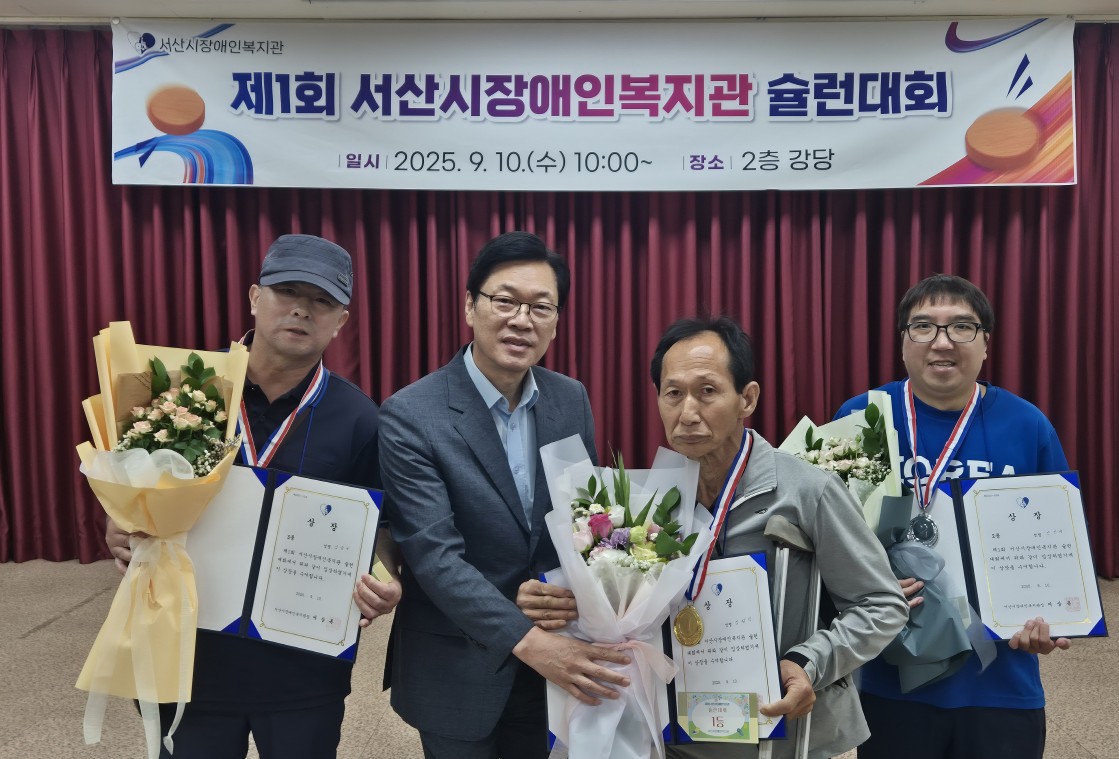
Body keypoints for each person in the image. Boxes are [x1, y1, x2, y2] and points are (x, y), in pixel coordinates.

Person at [521, 315, 908, 759]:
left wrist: (808, 662)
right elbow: (625, 615)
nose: (687, 413)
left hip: (788, 738)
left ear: (747, 398)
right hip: (681, 740)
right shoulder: (646, 508)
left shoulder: (806, 490)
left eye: (707, 391)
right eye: (673, 393)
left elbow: (882, 603)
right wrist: (564, 602)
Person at [105, 233, 401, 759]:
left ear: (341, 321)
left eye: (322, 301)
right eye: (287, 291)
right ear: (254, 297)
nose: (302, 310)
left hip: (302, 668)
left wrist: (386, 578)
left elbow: (379, 525)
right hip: (186, 654)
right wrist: (122, 518)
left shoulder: (360, 418)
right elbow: (131, 486)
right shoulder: (182, 388)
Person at [378, 231, 631, 759]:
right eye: (505, 301)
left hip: (557, 653)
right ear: (470, 306)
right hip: (458, 663)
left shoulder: (570, 399)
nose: (522, 320)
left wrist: (567, 586)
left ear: (556, 321)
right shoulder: (411, 414)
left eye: (541, 307)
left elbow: (585, 521)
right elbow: (434, 556)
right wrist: (535, 642)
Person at [835, 274, 1071, 759]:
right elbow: (830, 540)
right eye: (923, 326)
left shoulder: (1027, 425)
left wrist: (1053, 617)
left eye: (962, 327)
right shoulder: (861, 419)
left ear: (986, 343)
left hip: (1001, 682)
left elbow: (1059, 547)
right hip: (892, 675)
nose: (942, 342)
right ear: (903, 341)